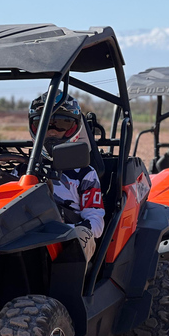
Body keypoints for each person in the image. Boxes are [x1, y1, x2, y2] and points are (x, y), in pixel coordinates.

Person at [28, 91, 104, 261]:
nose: (52, 132)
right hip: (24, 239)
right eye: (45, 125)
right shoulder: (21, 170)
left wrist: (66, 232)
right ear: (35, 128)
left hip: (65, 241)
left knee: (81, 236)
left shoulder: (85, 174)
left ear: (73, 128)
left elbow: (96, 222)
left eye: (61, 124)